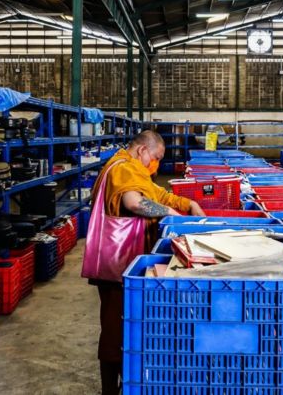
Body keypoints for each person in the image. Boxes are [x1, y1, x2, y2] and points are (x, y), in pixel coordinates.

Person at [88, 130, 205, 395]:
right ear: (142, 151)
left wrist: (189, 203)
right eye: (156, 158)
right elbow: (135, 202)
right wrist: (170, 213)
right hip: (117, 267)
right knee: (115, 332)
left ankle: (125, 381)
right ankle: (111, 389)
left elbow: (157, 194)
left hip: (127, 263)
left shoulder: (133, 169)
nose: (156, 165)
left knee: (125, 328)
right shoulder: (122, 169)